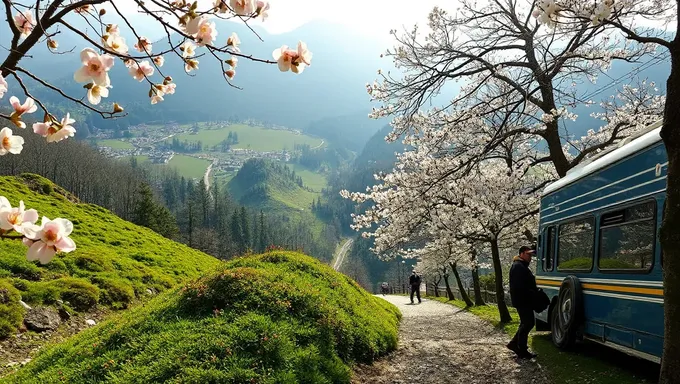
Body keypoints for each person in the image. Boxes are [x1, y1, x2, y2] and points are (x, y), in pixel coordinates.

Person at [507, 245, 538, 359]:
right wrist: (532, 294)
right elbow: (520, 286)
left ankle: (514, 344)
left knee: (525, 323)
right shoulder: (519, 267)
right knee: (528, 323)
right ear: (521, 254)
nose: (530, 257)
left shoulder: (520, 266)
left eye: (531, 255)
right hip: (523, 300)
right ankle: (522, 349)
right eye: (528, 254)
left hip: (523, 299)